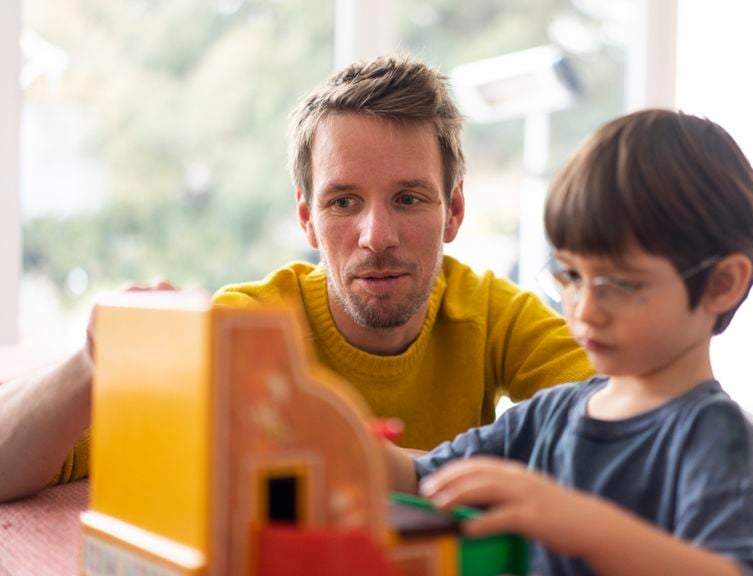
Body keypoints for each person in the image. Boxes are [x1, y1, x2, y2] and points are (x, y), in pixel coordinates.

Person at [0, 54, 593, 502]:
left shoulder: (494, 314)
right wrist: (91, 362)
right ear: (307, 218)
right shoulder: (243, 328)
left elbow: (641, 425)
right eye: (343, 203)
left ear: (454, 212)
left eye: (409, 199)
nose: (376, 235)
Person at [386, 109, 753, 575]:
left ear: (721, 284)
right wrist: (334, 433)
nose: (584, 309)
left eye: (620, 283)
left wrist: (578, 522)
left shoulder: (714, 439)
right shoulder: (550, 416)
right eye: (572, 276)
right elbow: (422, 478)